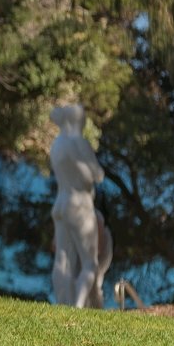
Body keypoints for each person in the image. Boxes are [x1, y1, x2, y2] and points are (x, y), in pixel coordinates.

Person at [49, 103, 109, 308]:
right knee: (89, 262)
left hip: (60, 203)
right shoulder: (79, 143)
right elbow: (96, 176)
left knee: (62, 259)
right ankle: (78, 306)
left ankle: (63, 303)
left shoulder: (57, 145)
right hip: (79, 205)